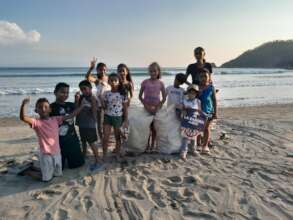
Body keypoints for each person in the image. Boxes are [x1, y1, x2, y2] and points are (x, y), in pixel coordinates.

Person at [19, 97, 84, 181]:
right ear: (36, 110)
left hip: (57, 152)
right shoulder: (36, 122)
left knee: (57, 174)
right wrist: (23, 105)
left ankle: (38, 168)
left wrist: (81, 106)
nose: (43, 109)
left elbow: (71, 115)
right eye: (40, 107)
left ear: (50, 109)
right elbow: (23, 118)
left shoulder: (55, 119)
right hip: (46, 154)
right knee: (46, 179)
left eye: (46, 107)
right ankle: (28, 172)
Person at [50, 82, 84, 169]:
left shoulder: (69, 105)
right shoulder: (51, 107)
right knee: (59, 167)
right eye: (62, 92)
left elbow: (75, 109)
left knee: (77, 165)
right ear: (55, 92)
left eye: (67, 93)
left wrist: (76, 99)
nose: (65, 94)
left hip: (72, 139)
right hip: (58, 142)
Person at [139, 62, 166, 153]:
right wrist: (146, 105)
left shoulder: (161, 83)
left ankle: (152, 145)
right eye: (151, 71)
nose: (153, 73)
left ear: (158, 72)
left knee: (154, 128)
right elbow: (140, 96)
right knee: (146, 128)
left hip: (156, 109)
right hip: (146, 109)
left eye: (154, 71)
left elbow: (164, 97)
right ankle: (146, 145)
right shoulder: (145, 82)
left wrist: (158, 106)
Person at [101, 73, 128, 160]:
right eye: (111, 80)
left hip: (118, 118)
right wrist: (102, 101)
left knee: (117, 137)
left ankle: (117, 154)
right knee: (105, 138)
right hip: (107, 117)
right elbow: (104, 107)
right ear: (108, 81)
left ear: (119, 82)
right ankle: (104, 155)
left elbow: (125, 108)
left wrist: (126, 120)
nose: (113, 82)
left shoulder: (123, 94)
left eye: (115, 80)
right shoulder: (106, 93)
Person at [75, 80, 100, 166]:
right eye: (81, 89)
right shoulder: (81, 97)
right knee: (83, 140)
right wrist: (76, 99)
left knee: (92, 142)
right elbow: (76, 108)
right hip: (82, 123)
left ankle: (97, 158)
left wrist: (95, 121)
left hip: (90, 124)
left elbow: (94, 111)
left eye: (85, 89)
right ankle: (84, 154)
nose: (83, 91)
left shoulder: (92, 98)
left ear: (90, 88)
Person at [85, 58, 110, 141]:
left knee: (108, 122)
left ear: (106, 70)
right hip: (100, 104)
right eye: (100, 70)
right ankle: (102, 138)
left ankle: (107, 137)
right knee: (100, 123)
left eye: (104, 70)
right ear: (97, 70)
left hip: (109, 103)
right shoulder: (96, 80)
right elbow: (87, 77)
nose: (102, 71)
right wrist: (91, 68)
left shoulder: (109, 78)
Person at [179, 85, 202, 161]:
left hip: (194, 122)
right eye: (190, 93)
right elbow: (179, 107)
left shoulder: (198, 101)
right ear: (187, 93)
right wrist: (184, 109)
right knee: (185, 137)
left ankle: (193, 149)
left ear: (196, 94)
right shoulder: (184, 101)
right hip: (186, 121)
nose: (192, 94)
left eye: (193, 93)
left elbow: (200, 111)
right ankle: (183, 152)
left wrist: (201, 118)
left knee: (194, 136)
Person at [198, 68, 218, 154]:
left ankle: (205, 145)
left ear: (209, 77)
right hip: (198, 111)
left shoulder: (211, 87)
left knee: (206, 128)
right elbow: (192, 97)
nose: (203, 78)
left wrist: (215, 112)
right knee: (198, 128)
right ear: (199, 78)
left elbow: (214, 100)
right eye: (201, 76)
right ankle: (198, 143)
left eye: (205, 76)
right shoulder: (197, 87)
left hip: (209, 111)